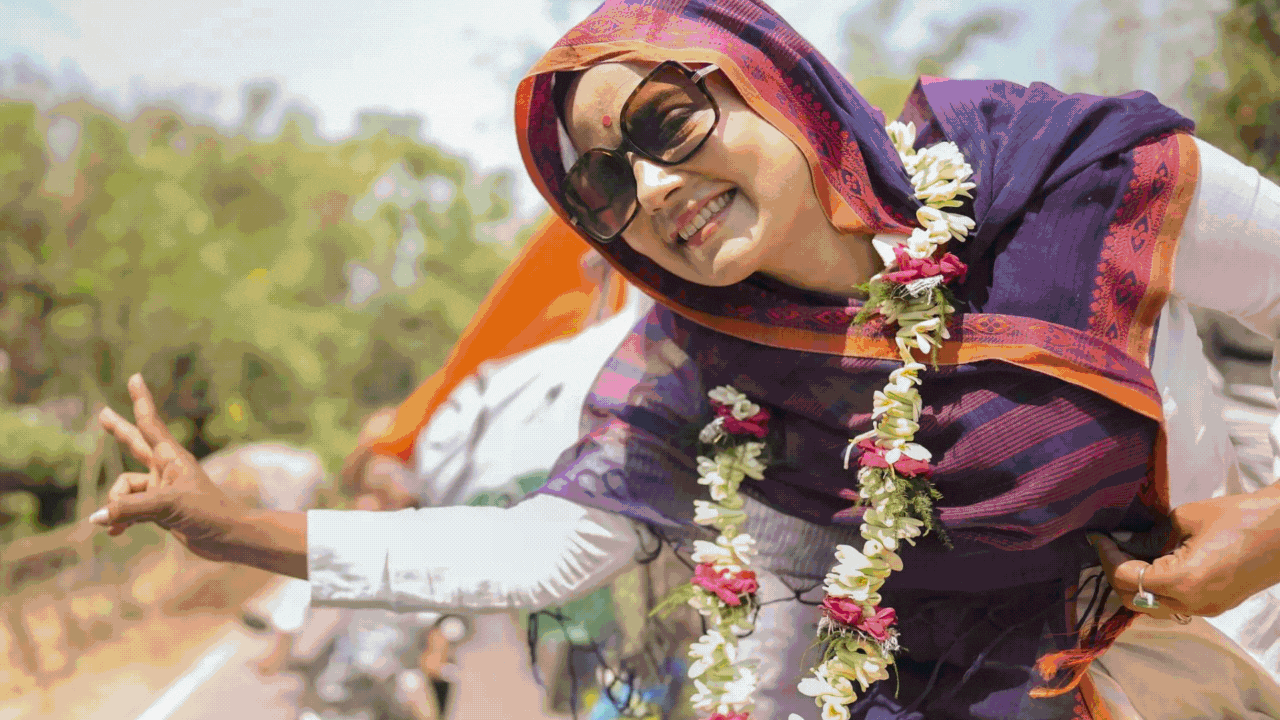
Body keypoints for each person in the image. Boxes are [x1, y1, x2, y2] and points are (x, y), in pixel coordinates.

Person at [87, 0, 1280, 717]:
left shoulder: (1061, 178)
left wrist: (1273, 524)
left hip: (1215, 669)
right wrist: (233, 530)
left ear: (772, 83)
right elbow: (540, 548)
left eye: (667, 123)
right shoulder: (694, 372)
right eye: (603, 184)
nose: (653, 188)